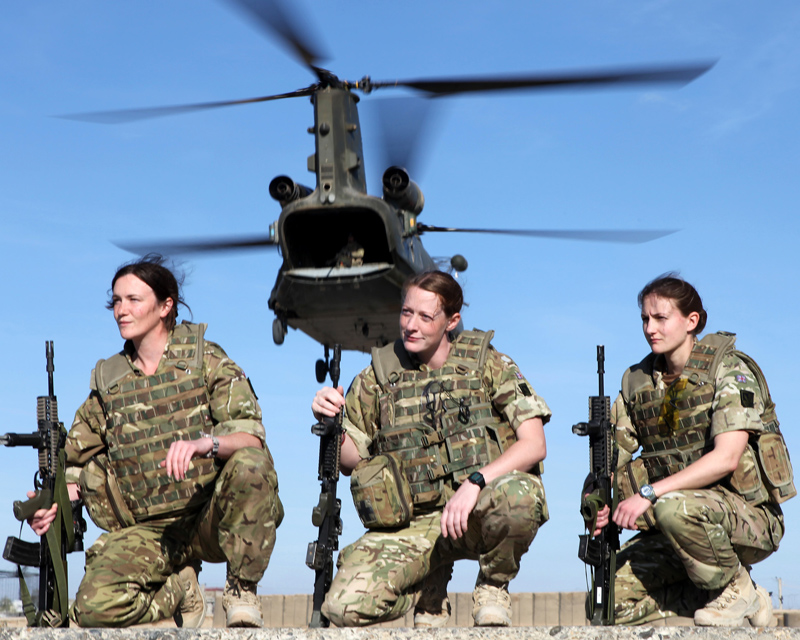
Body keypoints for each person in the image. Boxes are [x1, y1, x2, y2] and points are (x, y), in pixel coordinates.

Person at [27, 255, 282, 628]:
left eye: (133, 300)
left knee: (251, 466)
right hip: (146, 531)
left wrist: (203, 444)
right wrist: (54, 503)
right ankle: (181, 590)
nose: (120, 310)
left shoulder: (206, 360)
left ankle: (241, 590)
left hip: (208, 520)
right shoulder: (109, 382)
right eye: (116, 300)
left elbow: (251, 439)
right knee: (92, 609)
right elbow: (74, 460)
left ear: (166, 306)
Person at [311, 271, 550, 628]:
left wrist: (476, 482)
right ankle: (427, 583)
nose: (411, 325)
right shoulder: (378, 376)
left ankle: (493, 585)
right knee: (343, 608)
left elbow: (534, 443)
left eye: (426, 316)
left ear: (451, 321)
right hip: (412, 524)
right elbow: (352, 462)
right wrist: (332, 424)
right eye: (406, 313)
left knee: (521, 496)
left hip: (476, 512)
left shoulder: (487, 364)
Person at [591, 274, 793, 626]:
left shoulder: (728, 369)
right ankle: (738, 593)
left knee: (672, 506)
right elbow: (613, 459)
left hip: (749, 520)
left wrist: (649, 493)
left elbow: (727, 457)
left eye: (661, 318)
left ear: (691, 321)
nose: (649, 328)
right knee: (612, 601)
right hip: (678, 526)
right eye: (644, 319)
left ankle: (734, 585)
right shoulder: (637, 383)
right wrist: (598, 502)